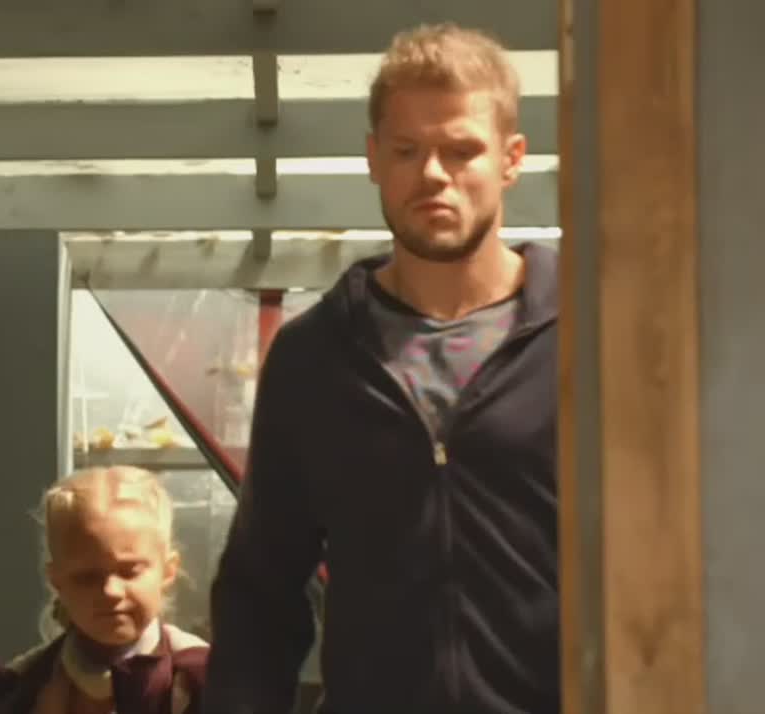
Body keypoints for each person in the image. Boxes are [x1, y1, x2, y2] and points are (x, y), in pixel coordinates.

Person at [203, 23, 560, 714]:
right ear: (373, 158)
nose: (433, 174)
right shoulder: (315, 358)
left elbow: (659, 561)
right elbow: (260, 591)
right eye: (407, 150)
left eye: (461, 150)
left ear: (511, 159)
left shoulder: (583, 343)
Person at [0, 466, 210, 714]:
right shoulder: (21, 690)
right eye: (87, 577)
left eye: (129, 571)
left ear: (168, 571)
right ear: (57, 581)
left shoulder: (203, 679)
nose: (111, 591)